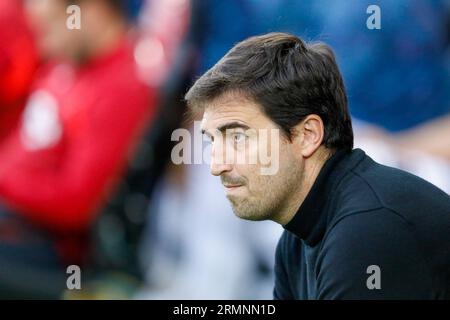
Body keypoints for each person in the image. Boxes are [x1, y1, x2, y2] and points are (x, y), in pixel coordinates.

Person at [184, 32, 450, 299]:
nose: (216, 166)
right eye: (212, 141)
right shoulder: (297, 237)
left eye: (238, 137)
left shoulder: (366, 232)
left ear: (308, 135)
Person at [0, 0, 154, 298]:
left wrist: (2, 181)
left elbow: (76, 203)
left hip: (50, 250)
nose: (41, 43)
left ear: (89, 10)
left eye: (48, 27)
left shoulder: (121, 85)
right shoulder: (64, 66)